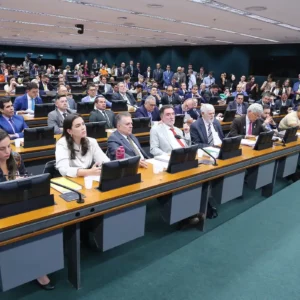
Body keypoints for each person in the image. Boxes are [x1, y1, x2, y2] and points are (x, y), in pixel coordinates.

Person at [0, 129, 54, 290]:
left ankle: (37, 267)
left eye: (8, 146)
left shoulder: (15, 157)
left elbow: (25, 176)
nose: (7, 152)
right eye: (2, 149)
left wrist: (23, 179)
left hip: (19, 201)